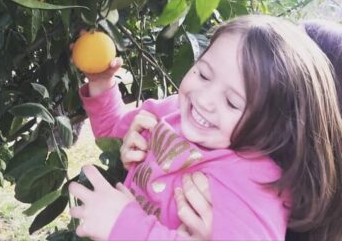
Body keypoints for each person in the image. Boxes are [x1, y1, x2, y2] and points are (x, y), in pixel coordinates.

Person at [68, 15, 342, 241]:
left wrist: (127, 227)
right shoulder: (173, 112)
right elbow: (111, 129)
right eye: (203, 73)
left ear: (272, 127)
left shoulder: (255, 181)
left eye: (233, 102)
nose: (204, 99)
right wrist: (101, 82)